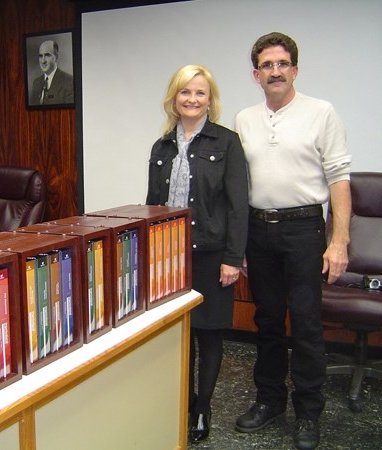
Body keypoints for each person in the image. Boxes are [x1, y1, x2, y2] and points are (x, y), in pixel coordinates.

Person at [234, 32, 352, 450]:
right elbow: (238, 184)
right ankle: (269, 402)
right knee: (266, 322)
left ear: (295, 70)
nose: (275, 71)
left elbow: (339, 179)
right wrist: (240, 243)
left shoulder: (321, 112)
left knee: (304, 325)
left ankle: (308, 413)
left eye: (282, 63)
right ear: (256, 74)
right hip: (258, 231)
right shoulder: (245, 119)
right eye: (267, 65)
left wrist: (338, 243)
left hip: (304, 229)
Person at [146, 64, 248, 443]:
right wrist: (149, 256)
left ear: (210, 100)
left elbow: (239, 206)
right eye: (185, 92)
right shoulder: (162, 146)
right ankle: (182, 402)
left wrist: (233, 258)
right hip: (169, 257)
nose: (192, 99)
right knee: (179, 335)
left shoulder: (227, 142)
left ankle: (202, 408)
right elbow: (152, 206)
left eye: (200, 93)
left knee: (209, 334)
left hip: (211, 254)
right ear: (174, 98)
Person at [29, 39, 74, 106]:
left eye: (47, 55)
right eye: (40, 56)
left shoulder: (69, 81)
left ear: (56, 57)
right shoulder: (36, 83)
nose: (43, 61)